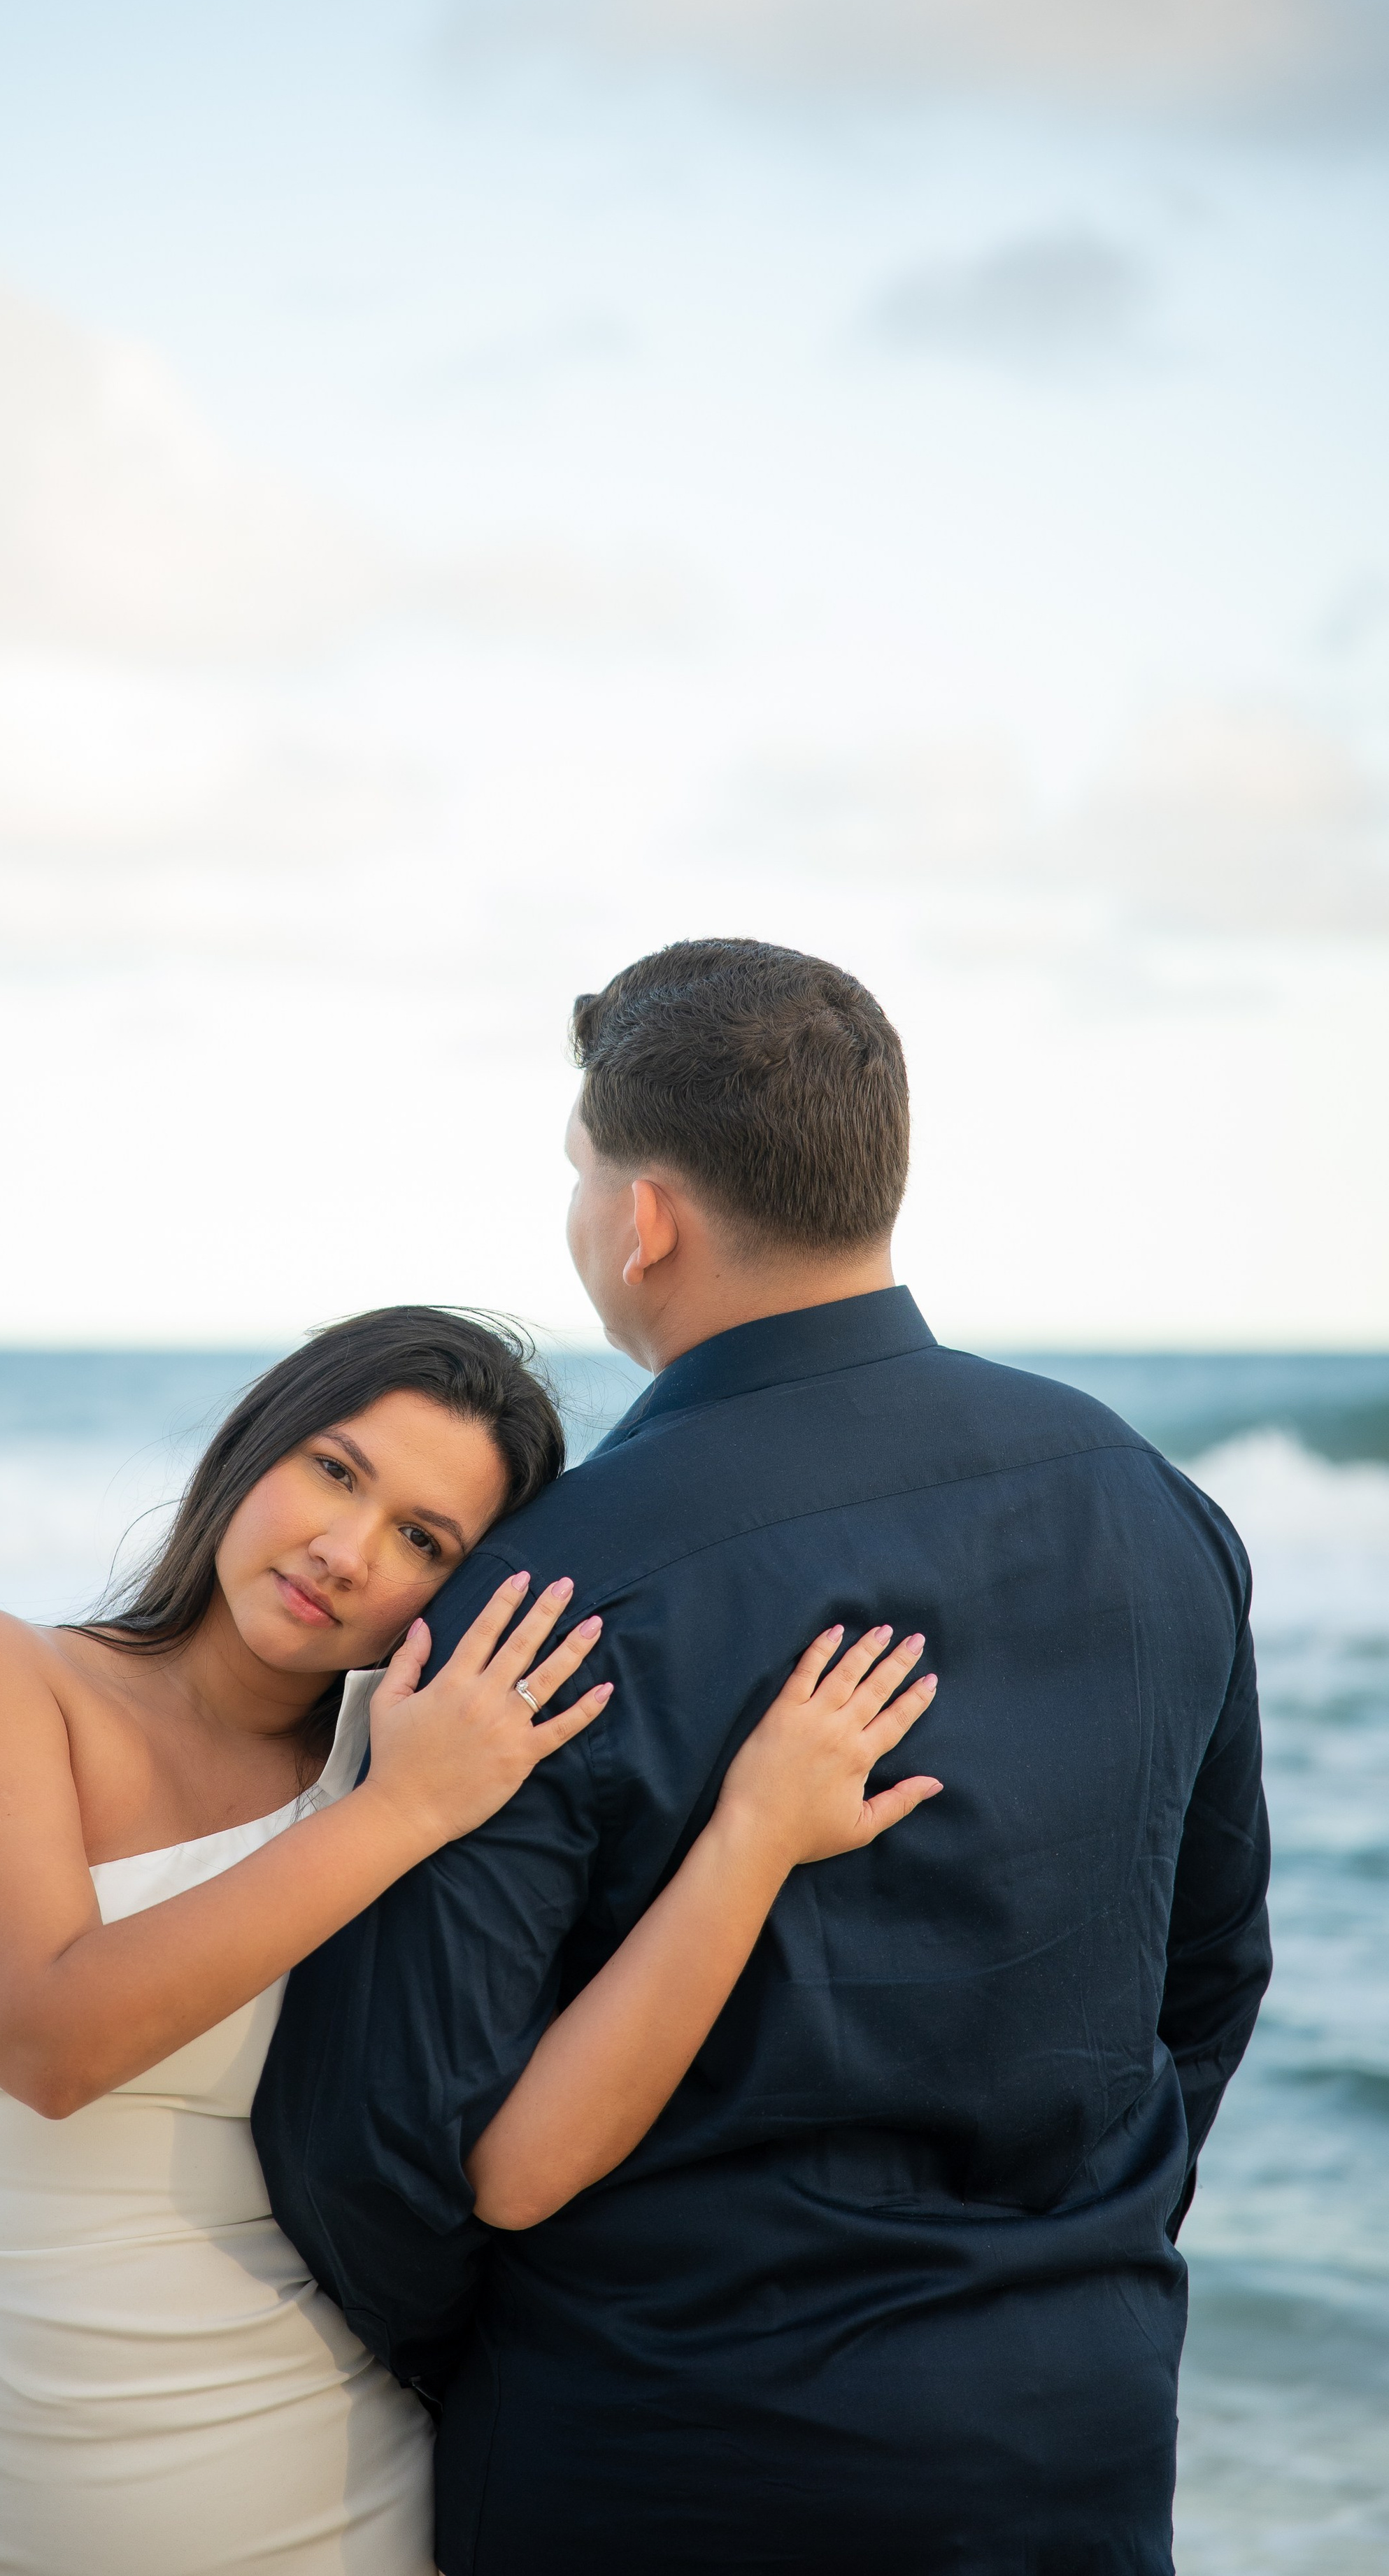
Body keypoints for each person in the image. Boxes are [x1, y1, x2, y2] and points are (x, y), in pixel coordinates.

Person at [255, 938, 1273, 2576]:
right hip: (1066, 2439)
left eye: (580, 1172)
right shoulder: (1154, 1506)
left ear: (643, 1217)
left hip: (662, 2456)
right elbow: (1206, 1979)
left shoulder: (546, 1591)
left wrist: (527, 2383)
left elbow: (380, 2144)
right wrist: (1066, 2281)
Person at [0, 1305, 940, 2575]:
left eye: (421, 1538)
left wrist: (750, 1839)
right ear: (254, 1445)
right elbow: (48, 2038)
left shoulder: (411, 1763)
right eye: (335, 1471)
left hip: (331, 2514)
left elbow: (519, 2164)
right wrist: (405, 1809)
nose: (346, 1551)